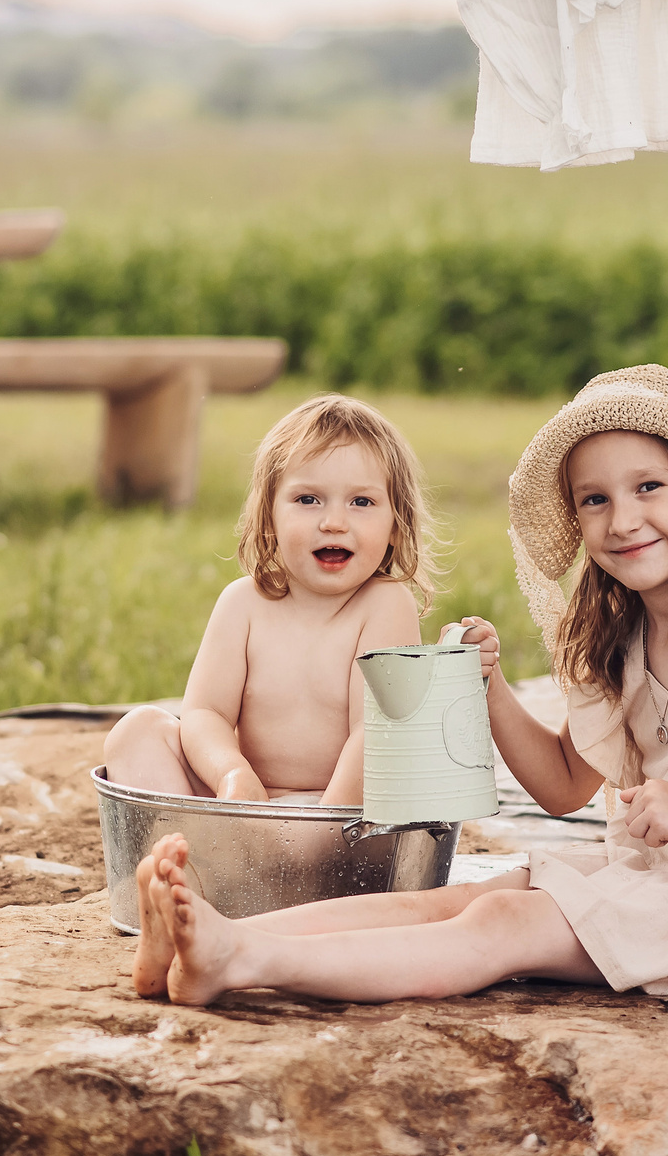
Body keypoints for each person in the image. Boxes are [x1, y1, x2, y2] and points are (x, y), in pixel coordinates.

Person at [139, 364, 668, 1007]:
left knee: (503, 920)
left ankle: (246, 959)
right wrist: (491, 687)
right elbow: (565, 786)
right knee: (456, 898)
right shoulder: (626, 636)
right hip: (660, 880)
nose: (622, 518)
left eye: (649, 487)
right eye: (595, 499)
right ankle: (207, 933)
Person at [106, 393, 431, 992]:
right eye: (308, 499)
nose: (334, 521)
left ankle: (189, 901)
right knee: (137, 731)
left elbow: (376, 732)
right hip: (239, 814)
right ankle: (182, 900)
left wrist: (317, 829)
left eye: (362, 502)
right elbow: (204, 712)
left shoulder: (386, 604)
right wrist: (231, 776)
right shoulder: (244, 603)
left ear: (394, 523)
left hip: (334, 824)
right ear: (269, 516)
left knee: (328, 811)